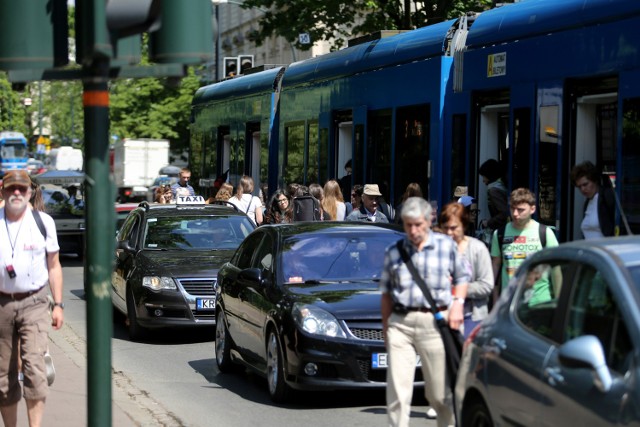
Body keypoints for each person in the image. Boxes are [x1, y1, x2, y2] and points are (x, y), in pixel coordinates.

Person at [380, 197, 469, 427]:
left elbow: (461, 277)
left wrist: (458, 303)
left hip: (435, 323)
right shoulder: (394, 251)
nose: (413, 230)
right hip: (401, 323)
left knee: (440, 395)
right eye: (408, 224)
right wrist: (386, 329)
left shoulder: (445, 246)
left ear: (429, 221)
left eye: (418, 224)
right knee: (398, 391)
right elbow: (386, 294)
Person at [0, 170, 64, 427]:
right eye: (11, 188)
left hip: (35, 302)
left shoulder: (43, 222)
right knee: (3, 376)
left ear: (29, 193)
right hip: (1, 304)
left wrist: (58, 304)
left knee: (35, 368)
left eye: (22, 189)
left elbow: (54, 265)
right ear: (3, 191)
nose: (17, 193)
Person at [491, 188, 558, 303]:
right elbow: (495, 268)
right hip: (509, 302)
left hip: (539, 301)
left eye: (520, 210)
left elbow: (556, 269)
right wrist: (495, 299)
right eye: (512, 209)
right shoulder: (500, 234)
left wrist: (558, 301)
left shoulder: (545, 233)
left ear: (532, 209)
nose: (515, 214)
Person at [439, 202, 493, 337]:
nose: (449, 233)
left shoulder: (477, 248)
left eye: (454, 228)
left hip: (472, 317)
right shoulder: (437, 249)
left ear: (463, 225)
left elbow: (486, 285)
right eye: (445, 228)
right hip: (442, 315)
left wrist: (458, 288)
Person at [570, 161, 616, 239]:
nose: (583, 189)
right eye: (579, 187)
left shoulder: (607, 196)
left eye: (585, 184)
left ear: (595, 180)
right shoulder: (587, 203)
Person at [478, 159, 509, 244]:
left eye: (484, 176)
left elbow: (503, 213)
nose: (483, 180)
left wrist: (488, 222)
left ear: (489, 174)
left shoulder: (494, 190)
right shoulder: (502, 186)